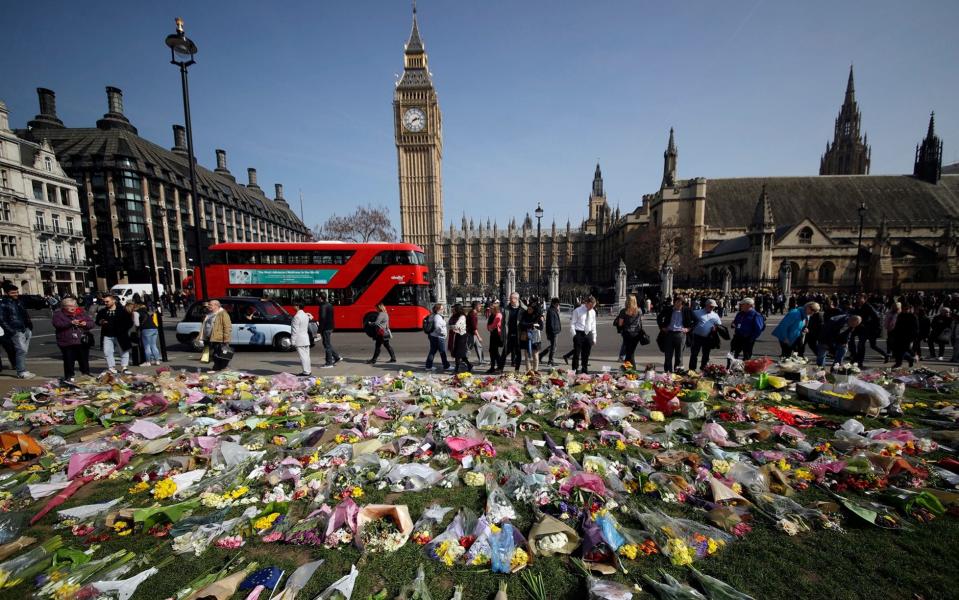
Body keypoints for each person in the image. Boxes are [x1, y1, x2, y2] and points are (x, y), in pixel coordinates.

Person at [52, 297, 94, 382]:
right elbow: (57, 324)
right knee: (68, 360)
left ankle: (86, 374)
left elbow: (91, 323)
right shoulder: (58, 314)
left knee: (84, 359)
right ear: (64, 306)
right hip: (67, 342)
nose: (73, 307)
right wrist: (70, 323)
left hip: (82, 340)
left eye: (74, 305)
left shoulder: (81, 312)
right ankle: (69, 376)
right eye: (70, 306)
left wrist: (85, 323)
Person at [0, 285, 35, 378]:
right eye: (13, 293)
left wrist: (29, 326)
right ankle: (21, 371)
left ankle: (22, 370)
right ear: (6, 293)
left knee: (23, 351)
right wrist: (11, 331)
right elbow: (1, 319)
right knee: (21, 350)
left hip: (25, 328)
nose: (16, 294)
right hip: (16, 330)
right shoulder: (3, 304)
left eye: (16, 292)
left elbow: (25, 314)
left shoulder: (19, 302)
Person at [96, 294, 134, 375]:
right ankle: (111, 368)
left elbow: (130, 322)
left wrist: (123, 329)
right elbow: (97, 321)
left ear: (113, 301)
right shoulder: (102, 311)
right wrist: (101, 322)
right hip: (107, 335)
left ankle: (124, 367)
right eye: (104, 302)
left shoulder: (122, 311)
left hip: (120, 335)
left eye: (107, 301)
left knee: (123, 350)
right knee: (107, 352)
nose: (106, 303)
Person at [656, 296, 695, 372]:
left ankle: (678, 373)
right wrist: (662, 327)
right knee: (668, 355)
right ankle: (668, 372)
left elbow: (696, 321)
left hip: (681, 334)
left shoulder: (687, 310)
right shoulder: (668, 309)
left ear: (682, 304)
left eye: (679, 304)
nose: (677, 306)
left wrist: (688, 329)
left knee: (679, 356)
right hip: (669, 333)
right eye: (676, 303)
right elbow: (659, 317)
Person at [850, 294, 886, 366]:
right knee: (851, 340)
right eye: (857, 298)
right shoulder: (857, 306)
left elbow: (876, 316)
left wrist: (868, 323)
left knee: (861, 345)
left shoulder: (868, 306)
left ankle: (859, 361)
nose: (858, 299)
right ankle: (855, 357)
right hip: (858, 328)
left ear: (865, 299)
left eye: (860, 298)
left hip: (865, 329)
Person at [197, 299, 233, 372]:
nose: (208, 306)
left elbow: (227, 327)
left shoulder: (223, 314)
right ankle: (217, 366)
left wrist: (226, 339)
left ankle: (224, 367)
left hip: (219, 338)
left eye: (210, 305)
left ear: (216, 305)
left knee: (223, 353)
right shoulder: (209, 314)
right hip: (209, 338)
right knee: (214, 353)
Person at [688, 299, 722, 371]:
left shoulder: (715, 315)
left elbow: (719, 325)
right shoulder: (697, 312)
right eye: (710, 306)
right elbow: (689, 320)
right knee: (694, 354)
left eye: (713, 307)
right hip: (696, 336)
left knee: (706, 354)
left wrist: (715, 328)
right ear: (706, 305)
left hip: (708, 337)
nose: (712, 308)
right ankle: (692, 369)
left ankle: (704, 369)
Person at [729, 298, 765, 365]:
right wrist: (733, 324)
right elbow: (735, 321)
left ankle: (745, 370)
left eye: (742, 305)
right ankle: (730, 368)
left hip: (748, 338)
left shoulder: (756, 315)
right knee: (732, 354)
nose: (741, 306)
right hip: (737, 337)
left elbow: (758, 329)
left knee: (747, 356)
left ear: (749, 305)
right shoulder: (740, 313)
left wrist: (752, 338)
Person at [569, 295, 597, 374]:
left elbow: (593, 325)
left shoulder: (593, 312)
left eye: (593, 306)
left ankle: (584, 368)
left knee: (586, 353)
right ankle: (575, 369)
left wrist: (594, 338)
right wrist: (574, 334)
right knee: (576, 353)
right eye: (590, 306)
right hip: (579, 333)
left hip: (588, 333)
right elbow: (572, 323)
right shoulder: (577, 311)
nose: (591, 308)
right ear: (586, 303)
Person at [615, 294, 646, 366]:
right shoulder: (639, 311)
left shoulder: (624, 311)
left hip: (627, 334)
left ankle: (631, 370)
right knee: (631, 352)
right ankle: (627, 369)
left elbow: (620, 324)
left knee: (629, 353)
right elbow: (640, 320)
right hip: (636, 334)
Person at [501, 292, 526, 372]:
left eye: (512, 298)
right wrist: (502, 335)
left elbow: (530, 313)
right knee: (505, 352)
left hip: (518, 335)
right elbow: (503, 323)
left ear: (517, 299)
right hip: (509, 334)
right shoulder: (506, 309)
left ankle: (517, 369)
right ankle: (500, 368)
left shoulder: (523, 309)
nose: (510, 300)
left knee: (518, 353)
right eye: (510, 298)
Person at [889, 303, 918, 368]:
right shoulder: (900, 315)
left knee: (904, 349)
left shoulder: (913, 317)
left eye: (906, 309)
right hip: (899, 336)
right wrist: (894, 334)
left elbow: (915, 329)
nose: (905, 310)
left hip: (908, 336)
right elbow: (897, 326)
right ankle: (910, 359)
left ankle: (899, 363)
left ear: (909, 309)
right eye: (904, 309)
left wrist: (912, 338)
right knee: (897, 350)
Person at [317, 293, 341, 368]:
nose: (317, 298)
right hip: (330, 326)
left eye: (318, 297)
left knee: (326, 345)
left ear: (320, 298)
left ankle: (329, 363)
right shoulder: (329, 305)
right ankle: (336, 357)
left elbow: (323, 318)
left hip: (325, 328)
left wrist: (319, 330)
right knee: (327, 343)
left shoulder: (323, 306)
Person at [134, 301, 161, 366]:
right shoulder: (146, 312)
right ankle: (157, 361)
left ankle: (148, 362)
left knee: (147, 346)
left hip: (146, 329)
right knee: (153, 345)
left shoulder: (136, 313)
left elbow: (137, 324)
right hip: (154, 328)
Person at [520, 300, 544, 373]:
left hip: (535, 338)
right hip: (526, 337)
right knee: (527, 356)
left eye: (530, 309)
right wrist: (532, 324)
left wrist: (533, 325)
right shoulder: (524, 315)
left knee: (535, 355)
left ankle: (535, 370)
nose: (529, 310)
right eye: (528, 308)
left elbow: (541, 327)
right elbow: (522, 324)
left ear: (534, 309)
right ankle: (528, 370)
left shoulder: (538, 316)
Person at [425, 303, 451, 372]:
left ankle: (428, 366)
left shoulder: (433, 315)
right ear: (438, 309)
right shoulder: (437, 317)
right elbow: (437, 327)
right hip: (438, 337)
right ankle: (446, 366)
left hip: (433, 336)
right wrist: (443, 333)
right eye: (442, 309)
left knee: (432, 351)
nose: (443, 310)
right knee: (442, 352)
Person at [449, 303, 473, 373]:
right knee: (461, 354)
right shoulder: (455, 316)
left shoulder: (462, 317)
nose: (453, 311)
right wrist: (451, 326)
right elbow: (449, 323)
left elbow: (456, 326)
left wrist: (451, 326)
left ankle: (456, 369)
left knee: (458, 353)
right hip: (457, 335)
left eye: (454, 309)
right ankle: (469, 365)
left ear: (457, 310)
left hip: (462, 336)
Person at [290, 302, 313, 376]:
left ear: (297, 306)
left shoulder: (296, 317)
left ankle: (306, 371)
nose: (293, 307)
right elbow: (310, 317)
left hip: (299, 339)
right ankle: (308, 370)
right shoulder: (305, 315)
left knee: (303, 356)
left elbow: (294, 330)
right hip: (306, 338)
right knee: (307, 356)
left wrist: (292, 341)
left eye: (294, 305)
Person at [539, 298, 561, 366]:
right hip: (553, 332)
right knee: (554, 347)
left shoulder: (553, 310)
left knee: (552, 346)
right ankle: (550, 360)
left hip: (554, 331)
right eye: (557, 304)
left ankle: (541, 355)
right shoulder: (551, 311)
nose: (558, 305)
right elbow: (551, 323)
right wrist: (553, 331)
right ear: (555, 304)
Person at [486, 301, 503, 374]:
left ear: (496, 309)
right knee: (491, 351)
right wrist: (489, 328)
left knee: (495, 351)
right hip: (492, 334)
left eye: (492, 308)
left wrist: (490, 327)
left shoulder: (498, 315)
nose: (490, 309)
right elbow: (489, 325)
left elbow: (494, 325)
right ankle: (493, 367)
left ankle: (499, 366)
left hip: (497, 335)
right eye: (490, 308)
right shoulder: (491, 315)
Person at [466, 301, 485, 365]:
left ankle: (481, 360)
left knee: (479, 346)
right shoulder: (472, 315)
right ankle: (464, 360)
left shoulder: (473, 313)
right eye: (479, 306)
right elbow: (474, 328)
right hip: (471, 334)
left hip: (473, 334)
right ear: (476, 306)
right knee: (468, 349)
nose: (480, 307)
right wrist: (479, 337)